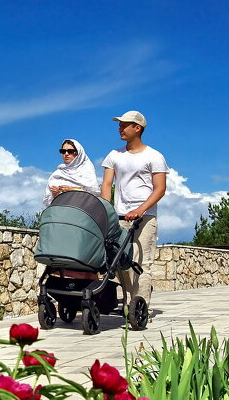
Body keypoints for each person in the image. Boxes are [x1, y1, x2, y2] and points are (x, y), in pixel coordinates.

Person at [100, 110, 167, 328]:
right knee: (121, 263)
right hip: (119, 216)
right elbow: (106, 185)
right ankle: (130, 301)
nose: (120, 128)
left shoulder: (154, 157)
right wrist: (105, 209)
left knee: (141, 262)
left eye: (124, 125)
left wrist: (141, 209)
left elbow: (159, 189)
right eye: (119, 124)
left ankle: (141, 307)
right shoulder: (114, 155)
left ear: (137, 128)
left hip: (144, 217)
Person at [44, 139, 100, 206]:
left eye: (70, 151)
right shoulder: (56, 175)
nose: (66, 154)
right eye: (63, 151)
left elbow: (94, 195)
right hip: (62, 213)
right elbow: (49, 203)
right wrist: (54, 194)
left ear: (78, 153)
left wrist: (72, 190)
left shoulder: (87, 170)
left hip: (84, 212)